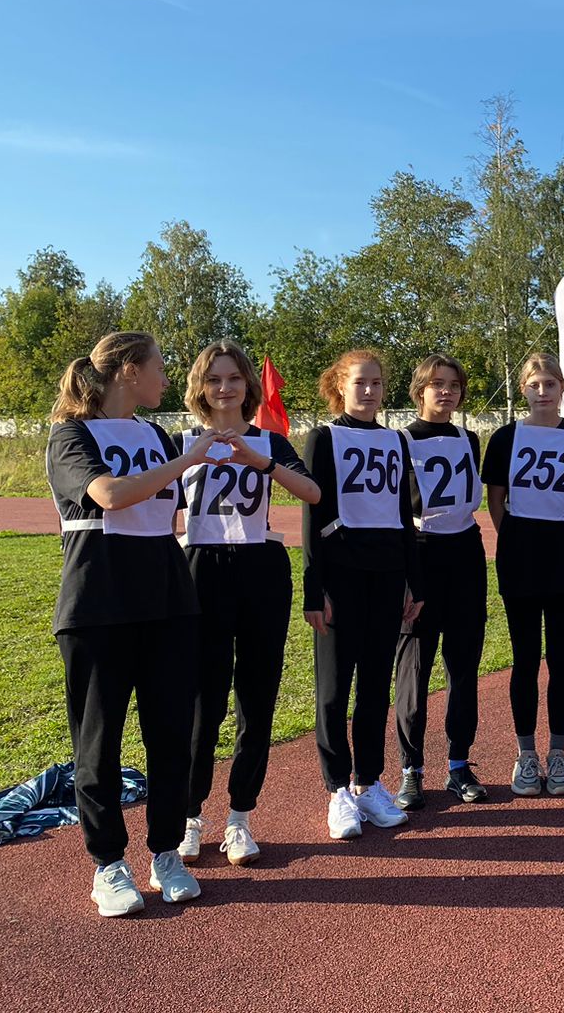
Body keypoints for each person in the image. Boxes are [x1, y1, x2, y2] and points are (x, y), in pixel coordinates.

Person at [46, 332, 218, 916]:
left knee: (171, 735)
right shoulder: (71, 435)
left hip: (168, 600)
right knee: (98, 743)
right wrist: (188, 459)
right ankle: (108, 865)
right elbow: (112, 495)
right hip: (98, 605)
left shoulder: (156, 435)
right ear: (127, 371)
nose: (166, 378)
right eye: (159, 367)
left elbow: (166, 517)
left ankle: (165, 852)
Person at [177, 340, 321, 867]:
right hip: (201, 568)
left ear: (248, 385)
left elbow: (313, 493)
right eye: (214, 379)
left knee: (256, 698)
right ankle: (190, 816)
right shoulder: (181, 441)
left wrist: (262, 462)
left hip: (260, 567)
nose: (224, 388)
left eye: (234, 378)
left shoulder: (269, 440)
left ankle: (240, 816)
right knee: (202, 701)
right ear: (200, 387)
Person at [301, 349, 422, 839]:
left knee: (374, 686)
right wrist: (315, 588)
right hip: (341, 577)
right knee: (334, 689)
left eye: (376, 383)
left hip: (387, 575)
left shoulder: (395, 440)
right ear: (340, 387)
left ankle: (368, 783)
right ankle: (337, 790)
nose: (369, 391)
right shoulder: (323, 438)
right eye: (359, 383)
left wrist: (414, 581)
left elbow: (403, 514)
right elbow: (312, 514)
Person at [483, 351, 564, 797]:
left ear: (562, 388)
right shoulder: (505, 437)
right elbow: (496, 500)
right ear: (523, 390)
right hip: (520, 558)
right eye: (535, 385)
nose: (543, 392)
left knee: (562, 659)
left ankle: (559, 752)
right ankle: (526, 754)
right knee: (525, 658)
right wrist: (516, 537)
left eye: (551, 384)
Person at [397, 354, 489, 807]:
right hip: (421, 552)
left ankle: (458, 763)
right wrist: (408, 578)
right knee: (414, 667)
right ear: (420, 390)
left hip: (465, 553)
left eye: (453, 384)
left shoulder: (468, 438)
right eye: (437, 384)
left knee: (464, 665)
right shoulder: (401, 441)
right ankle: (410, 769)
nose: (446, 391)